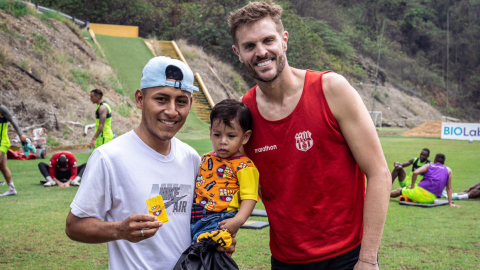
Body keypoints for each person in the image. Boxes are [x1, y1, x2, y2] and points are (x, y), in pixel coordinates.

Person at [228, 2, 391, 269]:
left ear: (284, 40)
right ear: (238, 53)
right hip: (285, 261)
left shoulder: (332, 90)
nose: (261, 52)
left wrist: (368, 259)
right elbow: (244, 187)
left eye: (268, 40)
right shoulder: (244, 114)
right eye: (249, 46)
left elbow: (379, 174)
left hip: (348, 257)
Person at [65, 56, 235, 270]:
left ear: (190, 104)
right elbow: (74, 226)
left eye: (181, 101)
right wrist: (119, 230)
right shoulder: (108, 157)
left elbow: (192, 221)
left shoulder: (191, 157)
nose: (172, 111)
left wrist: (214, 238)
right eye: (161, 99)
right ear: (139, 99)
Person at [191, 99, 259, 246]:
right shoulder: (205, 158)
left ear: (245, 137)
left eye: (231, 136)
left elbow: (250, 197)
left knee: (209, 256)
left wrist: (238, 221)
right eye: (217, 135)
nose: (223, 141)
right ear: (210, 133)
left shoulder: (245, 166)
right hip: (194, 215)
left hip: (219, 219)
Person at [391, 154, 460, 208]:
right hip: (430, 199)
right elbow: (449, 187)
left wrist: (412, 186)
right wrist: (450, 203)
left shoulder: (429, 165)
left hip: (419, 192)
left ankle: (383, 195)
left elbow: (415, 173)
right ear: (444, 163)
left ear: (434, 160)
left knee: (399, 190)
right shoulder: (449, 170)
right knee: (414, 190)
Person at [0, 104, 26, 195]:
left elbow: (12, 120)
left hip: (2, 143)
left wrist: (20, 134)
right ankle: (12, 189)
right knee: (3, 167)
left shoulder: (1, 108)